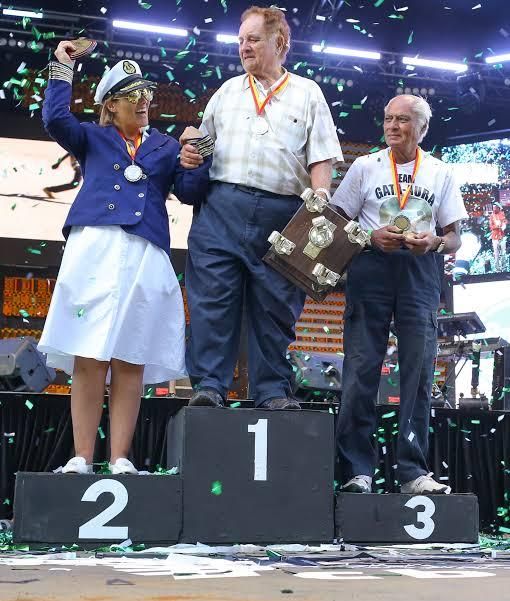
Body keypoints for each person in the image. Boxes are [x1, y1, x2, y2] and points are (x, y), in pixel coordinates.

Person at [38, 41, 212, 474]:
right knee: (88, 352)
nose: (144, 105)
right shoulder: (92, 137)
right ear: (111, 105)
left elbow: (190, 192)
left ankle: (119, 458)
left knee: (130, 353)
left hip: (144, 251)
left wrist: (197, 159)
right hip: (94, 247)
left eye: (146, 98)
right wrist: (62, 66)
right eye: (133, 98)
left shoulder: (166, 146)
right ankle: (80, 457)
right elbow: (55, 118)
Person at [180, 5, 342, 410]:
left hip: (284, 213)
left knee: (276, 307)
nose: (244, 48)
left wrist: (320, 197)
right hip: (221, 209)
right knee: (212, 301)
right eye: (240, 41)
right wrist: (189, 152)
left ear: (279, 43)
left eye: (253, 39)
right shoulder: (227, 91)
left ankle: (272, 390)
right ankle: (209, 387)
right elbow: (202, 145)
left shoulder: (308, 93)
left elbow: (322, 155)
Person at [331, 94, 468, 495]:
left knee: (419, 373)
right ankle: (358, 470)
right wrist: (369, 236)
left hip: (420, 271)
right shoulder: (364, 166)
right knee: (359, 372)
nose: (392, 126)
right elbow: (338, 221)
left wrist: (436, 243)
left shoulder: (440, 172)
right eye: (388, 119)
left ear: (422, 129)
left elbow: (456, 236)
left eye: (402, 120)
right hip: (370, 267)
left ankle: (412, 472)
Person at [489, 204, 507, 271]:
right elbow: (491, 227)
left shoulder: (502, 214)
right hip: (495, 237)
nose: (494, 209)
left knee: (503, 253)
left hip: (502, 236)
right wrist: (497, 226)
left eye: (495, 208)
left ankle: (504, 267)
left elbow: (505, 221)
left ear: (498, 208)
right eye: (493, 208)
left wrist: (504, 225)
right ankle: (497, 268)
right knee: (496, 253)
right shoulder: (491, 216)